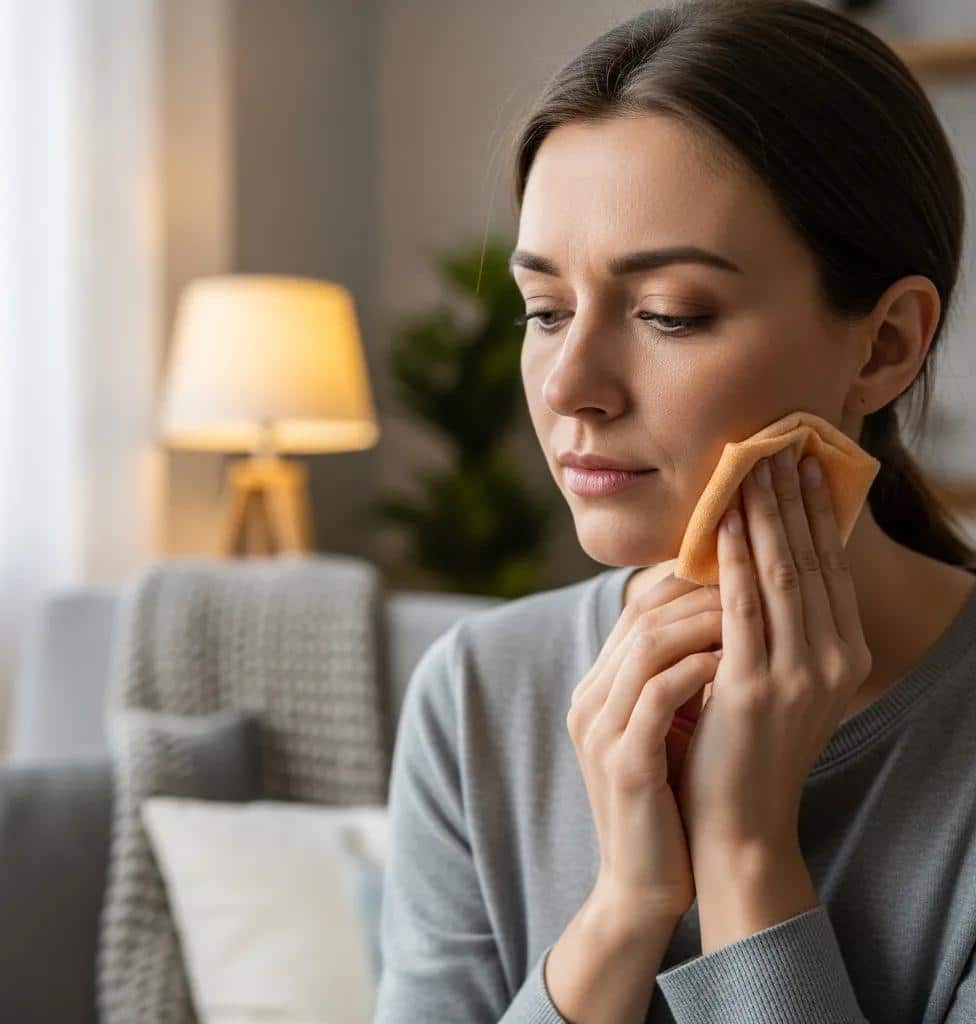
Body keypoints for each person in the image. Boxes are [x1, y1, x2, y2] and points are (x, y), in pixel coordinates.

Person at [373, 2, 976, 1021]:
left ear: (883, 346)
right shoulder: (480, 696)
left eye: (669, 314)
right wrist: (624, 907)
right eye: (545, 311)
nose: (570, 385)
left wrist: (745, 851)